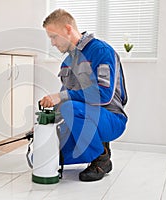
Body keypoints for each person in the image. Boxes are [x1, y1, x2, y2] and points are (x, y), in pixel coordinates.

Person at [40, 9, 128, 182]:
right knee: (42, 158)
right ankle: (96, 148)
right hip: (81, 116)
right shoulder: (67, 62)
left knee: (69, 106)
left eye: (54, 37)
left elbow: (103, 95)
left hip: (111, 118)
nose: (52, 43)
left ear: (67, 29)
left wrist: (61, 97)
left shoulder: (101, 51)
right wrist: (44, 123)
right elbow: (66, 99)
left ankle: (101, 158)